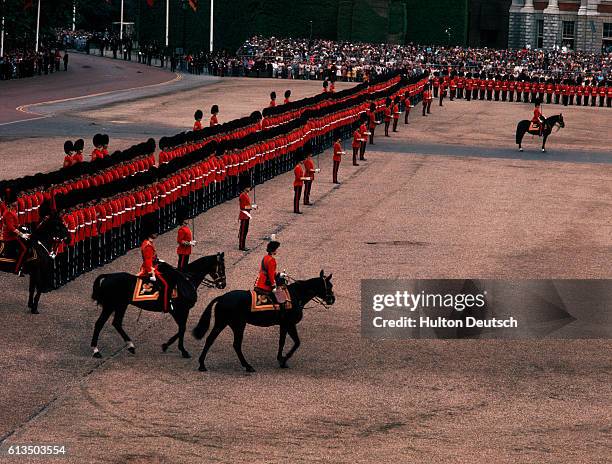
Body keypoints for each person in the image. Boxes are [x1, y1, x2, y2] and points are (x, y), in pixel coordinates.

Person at [138, 223, 171, 313]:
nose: (157, 233)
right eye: (154, 232)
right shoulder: (148, 245)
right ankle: (165, 306)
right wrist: (151, 273)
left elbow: (152, 257)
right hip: (150, 269)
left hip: (154, 265)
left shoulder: (148, 243)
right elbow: (148, 261)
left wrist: (158, 260)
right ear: (150, 233)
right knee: (165, 285)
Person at [1, 189, 29, 275]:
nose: (17, 202)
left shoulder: (12, 210)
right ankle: (17, 269)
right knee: (24, 249)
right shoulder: (8, 212)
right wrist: (21, 234)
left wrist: (22, 228)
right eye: (15, 201)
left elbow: (15, 223)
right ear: (10, 203)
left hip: (14, 234)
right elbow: (11, 227)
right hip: (10, 237)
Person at [254, 239, 283, 312]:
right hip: (265, 284)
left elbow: (266, 270)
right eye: (276, 249)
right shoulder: (272, 260)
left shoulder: (265, 257)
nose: (277, 251)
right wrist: (273, 285)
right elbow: (270, 274)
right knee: (278, 296)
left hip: (260, 280)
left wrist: (278, 274)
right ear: (273, 250)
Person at [238, 178, 255, 251]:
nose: (249, 188)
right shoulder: (243, 195)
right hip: (244, 215)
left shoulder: (245, 194)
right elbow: (243, 207)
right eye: (248, 187)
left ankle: (243, 245)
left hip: (247, 215)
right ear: (245, 188)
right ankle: (241, 246)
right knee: (243, 232)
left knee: (245, 231)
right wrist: (252, 207)